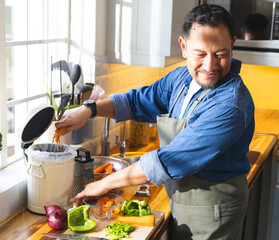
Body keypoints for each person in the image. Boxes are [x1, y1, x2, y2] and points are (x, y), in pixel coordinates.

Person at [56, 4, 254, 239]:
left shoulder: (229, 106)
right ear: (183, 46)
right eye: (200, 54)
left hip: (214, 211)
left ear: (232, 43)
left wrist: (104, 183)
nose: (210, 66)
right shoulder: (182, 78)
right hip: (183, 201)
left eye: (221, 54)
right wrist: (89, 110)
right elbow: (138, 101)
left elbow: (171, 160)